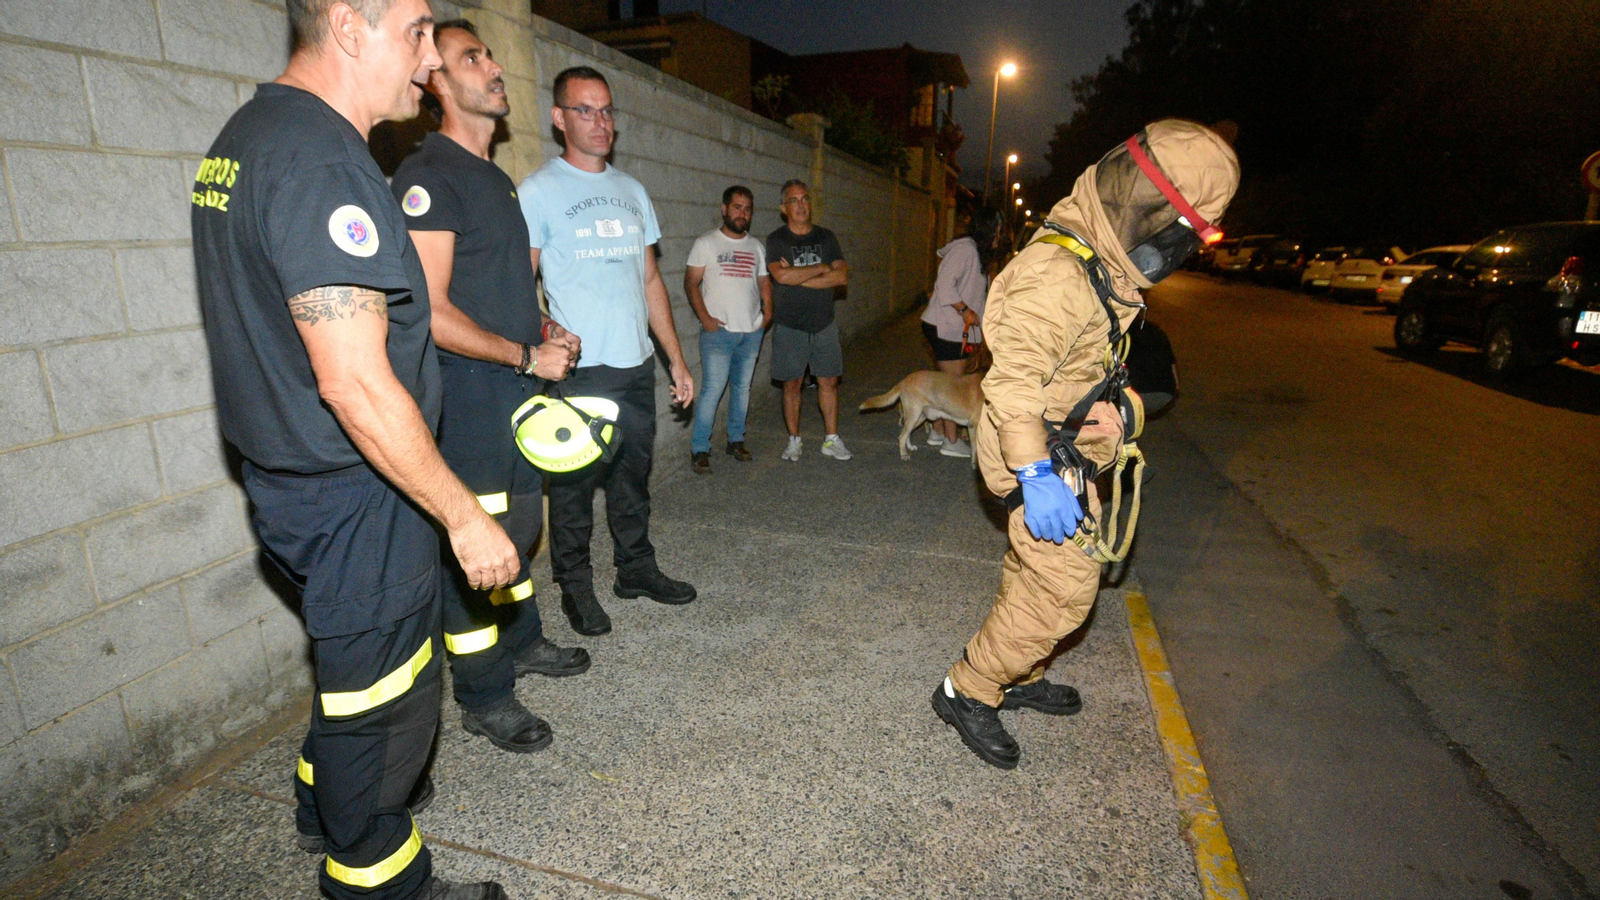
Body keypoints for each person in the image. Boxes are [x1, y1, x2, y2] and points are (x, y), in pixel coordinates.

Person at [191, 1, 514, 897]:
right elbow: (356, 382)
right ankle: (375, 870)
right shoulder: (320, 158)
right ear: (347, 25)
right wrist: (461, 516)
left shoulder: (250, 135)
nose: (428, 60)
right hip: (354, 494)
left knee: (352, 671)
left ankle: (315, 800)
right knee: (387, 703)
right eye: (415, 32)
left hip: (292, 478)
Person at [932, 119, 1239, 770]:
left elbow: (1107, 369)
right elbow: (1012, 389)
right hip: (1035, 455)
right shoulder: (1058, 275)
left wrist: (1125, 415)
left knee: (1033, 574)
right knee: (1068, 591)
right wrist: (1037, 476)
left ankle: (1018, 674)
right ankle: (969, 686)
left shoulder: (1102, 265)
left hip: (1068, 452)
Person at [391, 20, 590, 756]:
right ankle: (484, 695)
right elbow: (432, 310)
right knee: (476, 545)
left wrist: (547, 329)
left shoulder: (495, 178)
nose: (494, 66)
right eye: (472, 56)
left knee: (520, 529)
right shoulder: (426, 177)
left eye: (490, 52)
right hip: (466, 402)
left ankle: (523, 639)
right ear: (436, 80)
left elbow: (499, 288)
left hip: (515, 390)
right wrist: (522, 356)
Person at [518, 66, 697, 637]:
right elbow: (520, 288)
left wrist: (675, 358)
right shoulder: (539, 191)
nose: (601, 122)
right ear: (559, 118)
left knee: (630, 477)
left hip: (634, 364)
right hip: (577, 370)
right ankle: (575, 587)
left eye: (607, 110)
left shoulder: (633, 192)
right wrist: (548, 331)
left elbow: (650, 283)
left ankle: (636, 570)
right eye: (585, 110)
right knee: (571, 489)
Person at [684, 185, 773, 474]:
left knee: (742, 390)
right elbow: (690, 283)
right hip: (718, 333)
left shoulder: (756, 247)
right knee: (712, 389)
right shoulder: (706, 243)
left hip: (751, 332)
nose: (742, 213)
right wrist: (705, 317)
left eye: (747, 208)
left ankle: (736, 440)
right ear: (724, 209)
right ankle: (700, 449)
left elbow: (763, 283)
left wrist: (767, 312)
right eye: (737, 207)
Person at [766, 180, 850, 462]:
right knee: (792, 384)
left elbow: (841, 277)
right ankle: (794, 440)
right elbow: (780, 277)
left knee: (828, 382)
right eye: (794, 200)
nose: (801, 205)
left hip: (824, 323)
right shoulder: (777, 240)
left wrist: (798, 277)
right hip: (790, 324)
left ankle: (831, 439)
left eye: (805, 199)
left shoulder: (827, 238)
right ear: (783, 208)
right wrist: (821, 268)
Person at [919, 206, 1005, 457]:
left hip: (955, 328)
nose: (999, 236)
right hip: (944, 325)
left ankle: (936, 430)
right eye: (997, 231)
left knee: (947, 380)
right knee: (953, 386)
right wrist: (966, 311)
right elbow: (945, 286)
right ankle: (951, 440)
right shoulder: (964, 250)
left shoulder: (978, 254)